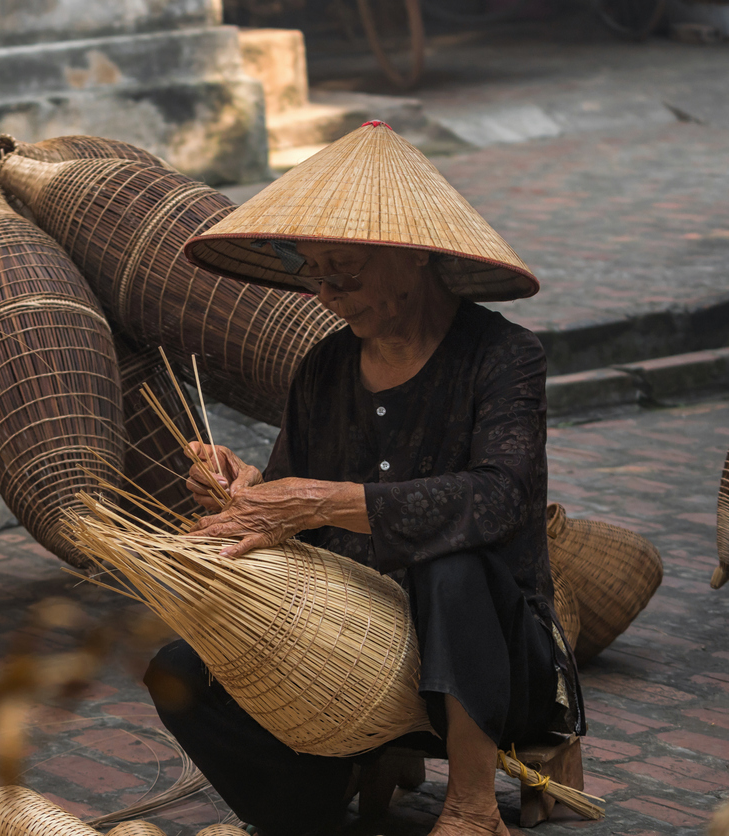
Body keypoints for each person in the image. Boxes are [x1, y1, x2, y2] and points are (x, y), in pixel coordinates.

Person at [144, 121, 585, 836]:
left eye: (344, 268)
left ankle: (473, 809)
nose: (326, 291)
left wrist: (322, 500)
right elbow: (296, 502)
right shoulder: (323, 367)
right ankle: (305, 805)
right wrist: (247, 491)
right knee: (179, 669)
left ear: (412, 255)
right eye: (314, 271)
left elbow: (499, 497)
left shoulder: (504, 357)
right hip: (353, 648)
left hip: (497, 664)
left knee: (453, 564)